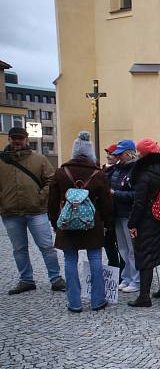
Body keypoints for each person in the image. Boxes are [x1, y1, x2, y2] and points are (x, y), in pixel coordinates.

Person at [47, 131, 113, 312]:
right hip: (91, 222)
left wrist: (54, 222)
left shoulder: (61, 172)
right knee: (95, 259)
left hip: (67, 222)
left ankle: (74, 302)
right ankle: (97, 300)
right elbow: (107, 202)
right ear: (90, 152)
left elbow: (52, 200)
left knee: (69, 260)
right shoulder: (98, 174)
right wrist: (108, 223)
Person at [1, 126, 65, 295]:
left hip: (36, 211)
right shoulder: (1, 161)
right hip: (10, 213)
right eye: (14, 138)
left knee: (46, 247)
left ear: (26, 139)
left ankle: (56, 279)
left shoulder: (39, 159)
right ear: (9, 139)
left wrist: (40, 197)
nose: (17, 141)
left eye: (20, 138)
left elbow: (51, 181)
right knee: (19, 249)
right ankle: (26, 280)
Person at [127, 138, 160, 308]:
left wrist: (132, 223)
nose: (137, 154)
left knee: (146, 255)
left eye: (139, 151)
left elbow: (138, 203)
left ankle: (144, 296)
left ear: (144, 154)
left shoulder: (143, 174)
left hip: (147, 219)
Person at [109, 139, 139, 293]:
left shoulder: (136, 169)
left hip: (129, 214)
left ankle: (136, 280)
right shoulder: (118, 169)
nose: (118, 157)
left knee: (132, 249)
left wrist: (116, 194)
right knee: (123, 249)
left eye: (120, 154)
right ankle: (126, 277)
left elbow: (137, 194)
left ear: (128, 153)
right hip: (118, 213)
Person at [102, 143, 122, 271]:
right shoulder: (103, 169)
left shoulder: (120, 170)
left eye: (112, 154)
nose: (109, 156)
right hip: (107, 212)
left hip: (117, 211)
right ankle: (114, 267)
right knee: (108, 243)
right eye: (108, 154)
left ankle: (121, 270)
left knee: (120, 244)